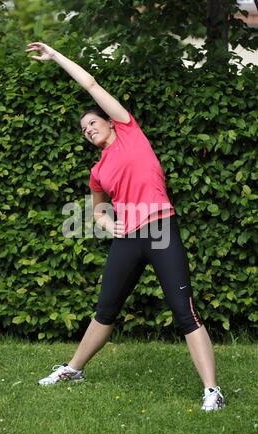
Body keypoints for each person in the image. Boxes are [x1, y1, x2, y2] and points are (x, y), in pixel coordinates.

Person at [25, 42, 225, 411]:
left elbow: (90, 85)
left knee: (184, 310)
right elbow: (99, 209)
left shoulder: (129, 131)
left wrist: (56, 57)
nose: (87, 130)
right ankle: (73, 369)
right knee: (105, 310)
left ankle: (212, 391)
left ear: (106, 120)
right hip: (129, 238)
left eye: (92, 123)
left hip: (161, 229)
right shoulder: (98, 171)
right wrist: (105, 222)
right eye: (83, 130)